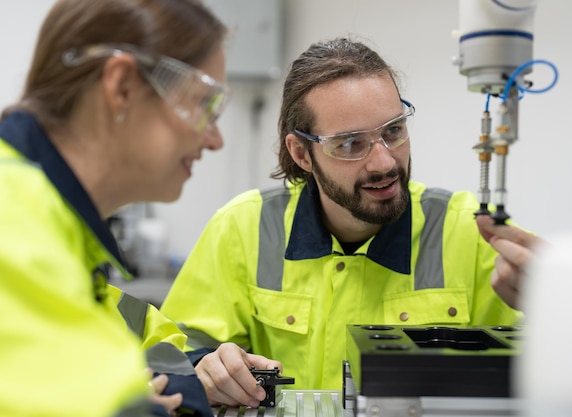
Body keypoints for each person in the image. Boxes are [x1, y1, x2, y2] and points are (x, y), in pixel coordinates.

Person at [159, 37, 540, 408]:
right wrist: (203, 367)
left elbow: (544, 369)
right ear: (302, 153)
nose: (385, 163)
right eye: (349, 144)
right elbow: (170, 355)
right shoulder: (243, 226)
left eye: (393, 131)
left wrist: (560, 302)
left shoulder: (466, 230)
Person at [0, 0, 229, 416]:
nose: (215, 139)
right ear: (122, 87)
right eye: (203, 105)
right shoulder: (12, 215)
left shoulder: (60, 230)